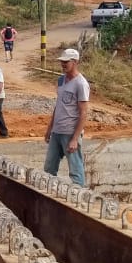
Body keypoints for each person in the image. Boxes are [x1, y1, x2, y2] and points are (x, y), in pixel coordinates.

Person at [43, 48, 89, 186]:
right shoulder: (61, 80)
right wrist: (50, 128)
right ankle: (49, 193)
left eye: (66, 62)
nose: (63, 64)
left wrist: (75, 139)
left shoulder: (81, 84)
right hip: (57, 131)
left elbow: (83, 113)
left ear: (75, 62)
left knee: (75, 170)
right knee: (49, 168)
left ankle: (80, 194)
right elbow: (58, 106)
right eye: (62, 62)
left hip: (70, 133)